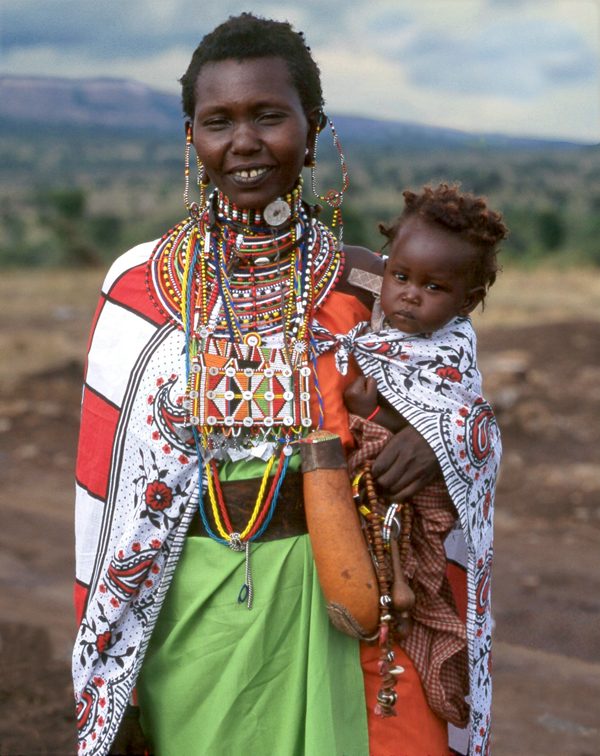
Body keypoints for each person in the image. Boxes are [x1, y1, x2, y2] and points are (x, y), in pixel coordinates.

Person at [72, 14, 466, 756]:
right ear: (192, 138)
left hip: (347, 599)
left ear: (312, 130)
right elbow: (104, 498)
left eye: (269, 116)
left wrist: (436, 442)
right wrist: (106, 671)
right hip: (190, 609)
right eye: (218, 121)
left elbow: (465, 413)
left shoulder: (378, 289)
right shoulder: (136, 288)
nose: (244, 141)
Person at [313, 182, 506, 743]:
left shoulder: (451, 350)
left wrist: (408, 425)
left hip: (406, 537)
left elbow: (463, 422)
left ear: (466, 303)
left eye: (434, 287)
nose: (410, 297)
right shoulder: (365, 327)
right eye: (400, 278)